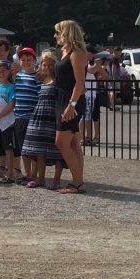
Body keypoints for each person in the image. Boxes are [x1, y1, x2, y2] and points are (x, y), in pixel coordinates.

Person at [53, 20, 88, 194]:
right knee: (73, 142)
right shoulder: (64, 51)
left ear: (66, 32)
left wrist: (71, 105)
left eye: (57, 32)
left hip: (72, 101)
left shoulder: (77, 52)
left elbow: (80, 82)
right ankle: (78, 180)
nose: (55, 35)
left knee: (61, 142)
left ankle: (78, 183)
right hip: (62, 99)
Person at [21, 51, 64, 189]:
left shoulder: (58, 81)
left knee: (56, 150)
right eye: (44, 64)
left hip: (52, 115)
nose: (46, 67)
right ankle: (40, 178)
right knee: (38, 148)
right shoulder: (41, 79)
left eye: (49, 64)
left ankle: (56, 179)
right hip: (39, 113)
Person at [14, 47, 41, 182]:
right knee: (23, 147)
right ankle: (28, 173)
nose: (26, 62)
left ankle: (35, 174)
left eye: (29, 60)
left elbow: (40, 96)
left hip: (32, 117)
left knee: (34, 148)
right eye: (23, 60)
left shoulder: (37, 76)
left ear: (35, 61)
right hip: (19, 116)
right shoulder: (17, 76)